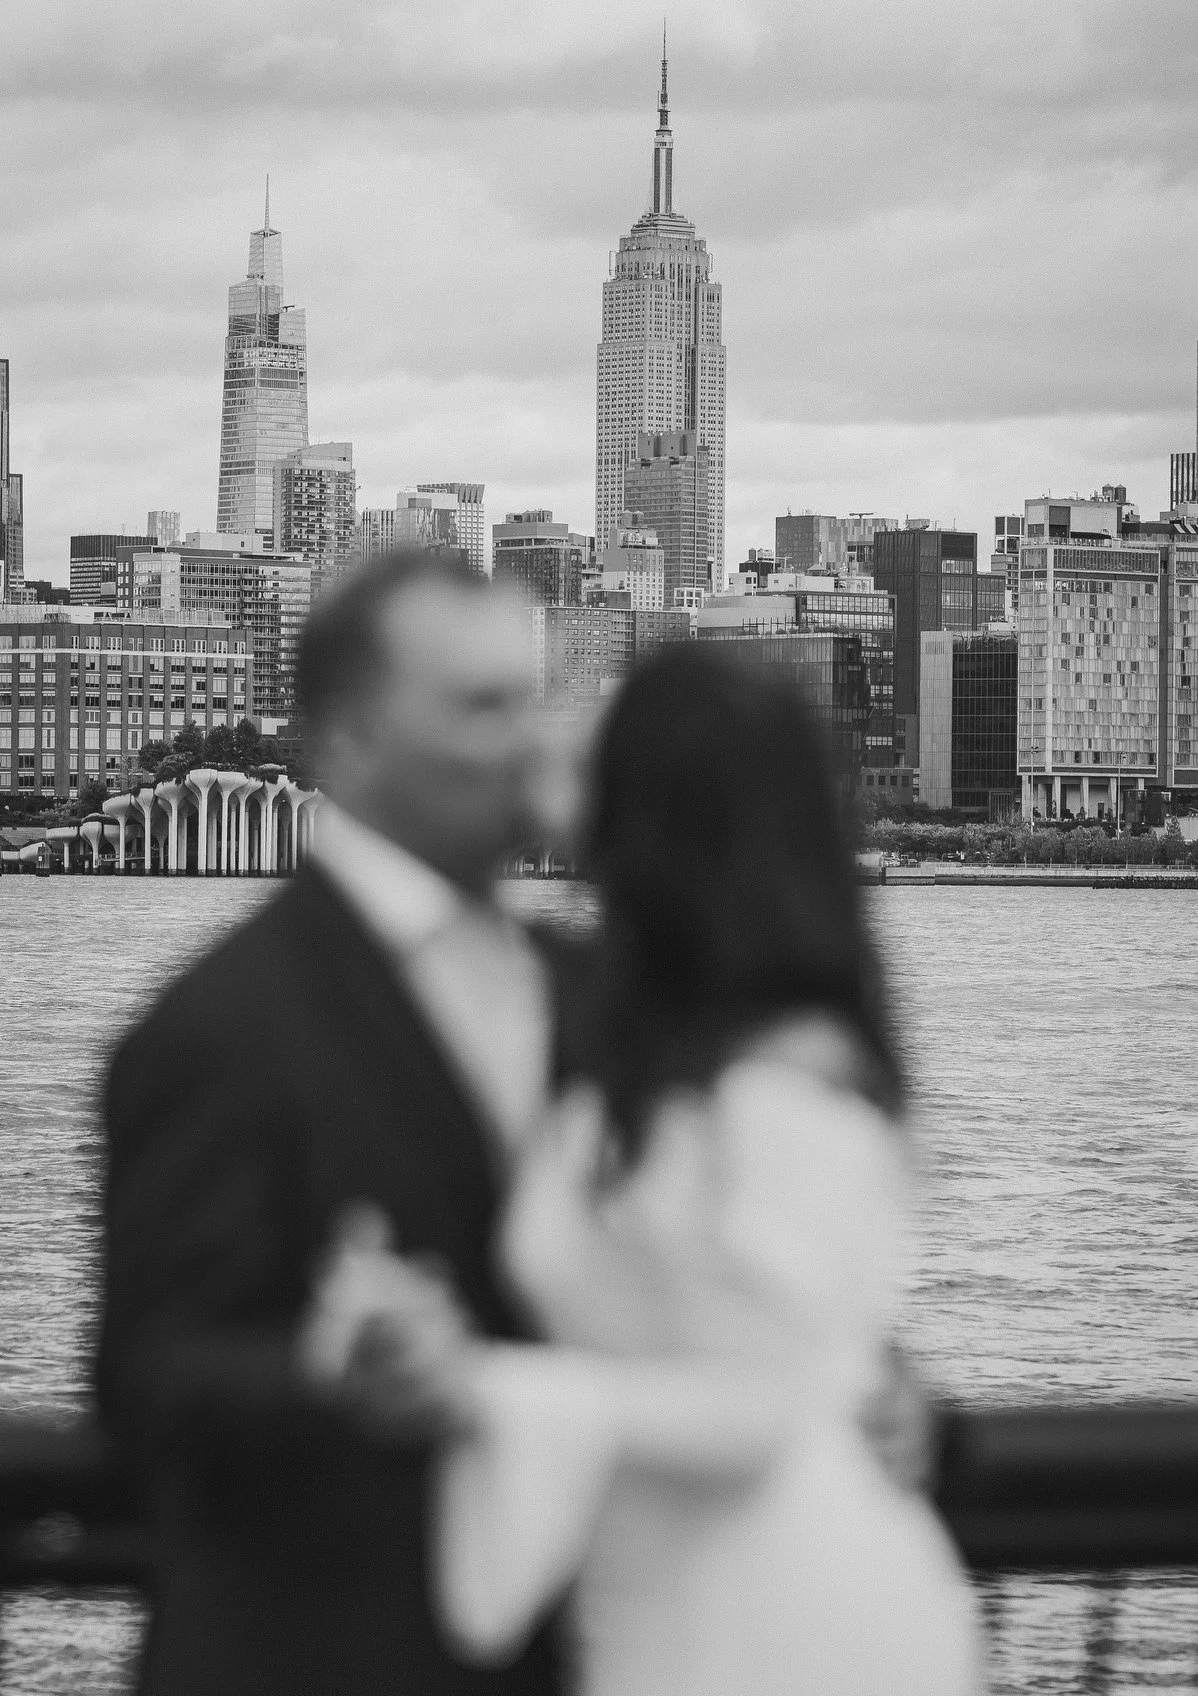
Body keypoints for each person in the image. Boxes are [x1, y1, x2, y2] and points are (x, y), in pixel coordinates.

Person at [312, 649, 983, 1696]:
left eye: (592, 762)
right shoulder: (651, 1044)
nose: (549, 777)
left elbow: (765, 1404)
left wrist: (481, 1391)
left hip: (784, 1625)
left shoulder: (787, 1079)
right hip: (652, 1611)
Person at [96, 553, 568, 1696]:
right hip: (317, 1655)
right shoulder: (213, 1029)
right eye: (478, 707)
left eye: (530, 701)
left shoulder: (592, 990)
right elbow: (146, 1381)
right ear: (348, 738)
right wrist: (329, 1367)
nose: (526, 740)